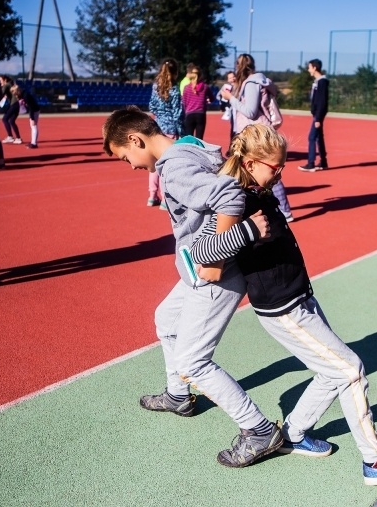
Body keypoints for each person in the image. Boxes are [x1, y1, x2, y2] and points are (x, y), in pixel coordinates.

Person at [189, 123, 377, 486]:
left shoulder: (259, 187)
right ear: (252, 162)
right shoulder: (236, 198)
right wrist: (249, 231)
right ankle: (376, 463)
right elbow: (202, 251)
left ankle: (295, 435)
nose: (281, 173)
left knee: (331, 371)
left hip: (300, 298)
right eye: (276, 167)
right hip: (284, 309)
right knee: (350, 370)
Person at [101, 106, 284, 469]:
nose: (133, 166)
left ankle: (259, 430)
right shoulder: (187, 144)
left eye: (126, 157)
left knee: (193, 361)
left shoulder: (175, 168)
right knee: (166, 320)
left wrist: (216, 256)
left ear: (136, 140)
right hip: (196, 271)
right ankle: (178, 396)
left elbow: (229, 196)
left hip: (213, 274)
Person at [221, 53, 294, 223]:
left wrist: (230, 98)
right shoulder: (256, 81)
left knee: (270, 172)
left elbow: (251, 111)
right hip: (255, 133)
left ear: (240, 67)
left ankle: (283, 209)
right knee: (258, 172)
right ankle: (268, 207)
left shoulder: (252, 82)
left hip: (258, 134)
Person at [147, 58, 183, 208]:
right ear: (175, 73)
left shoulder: (156, 87)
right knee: (166, 167)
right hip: (170, 131)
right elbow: (177, 113)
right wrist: (181, 132)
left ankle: (151, 196)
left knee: (154, 165)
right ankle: (164, 200)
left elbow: (152, 106)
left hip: (157, 128)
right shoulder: (174, 89)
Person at [299, 59, 329, 172]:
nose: (308, 70)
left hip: (318, 115)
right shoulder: (317, 81)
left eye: (309, 67)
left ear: (315, 68)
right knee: (318, 138)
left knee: (311, 137)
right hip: (316, 114)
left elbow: (322, 101)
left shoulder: (322, 82)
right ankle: (324, 162)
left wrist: (318, 117)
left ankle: (311, 163)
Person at [181, 64, 213, 140]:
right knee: (199, 138)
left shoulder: (186, 88)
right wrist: (207, 100)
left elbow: (184, 102)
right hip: (200, 114)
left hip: (189, 114)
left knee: (189, 138)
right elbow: (212, 98)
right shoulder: (205, 87)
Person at [10, 84, 41, 149]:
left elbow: (31, 107)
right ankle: (33, 142)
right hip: (34, 110)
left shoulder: (25, 95)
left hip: (35, 110)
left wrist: (32, 117)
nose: (14, 95)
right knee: (32, 126)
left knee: (33, 126)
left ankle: (34, 143)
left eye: (14, 92)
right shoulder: (23, 94)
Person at [0, 75, 22, 144]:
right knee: (11, 121)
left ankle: (10, 136)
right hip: (16, 104)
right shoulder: (11, 84)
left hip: (14, 104)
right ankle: (18, 138)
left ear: (5, 80)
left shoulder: (6, 85)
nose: (0, 82)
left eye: (1, 81)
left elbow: (0, 94)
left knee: (5, 119)